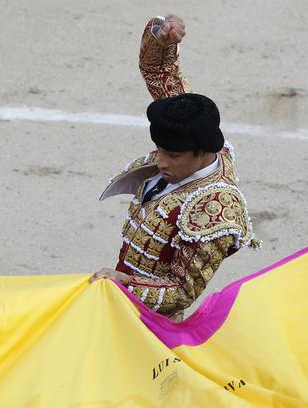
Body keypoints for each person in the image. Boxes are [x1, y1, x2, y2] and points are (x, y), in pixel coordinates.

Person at [91, 14, 259, 319]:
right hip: (118, 290)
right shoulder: (188, 123)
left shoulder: (216, 208)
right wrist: (163, 37)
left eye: (174, 156)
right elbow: (159, 70)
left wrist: (126, 287)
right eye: (160, 151)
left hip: (153, 321)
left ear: (202, 153)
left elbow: (182, 291)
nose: (162, 163)